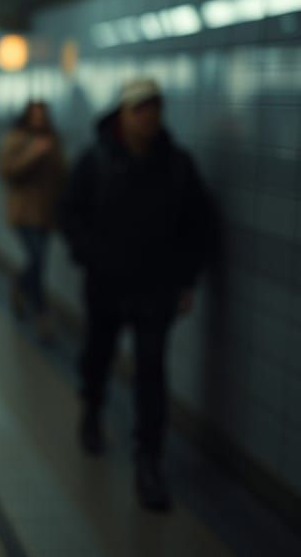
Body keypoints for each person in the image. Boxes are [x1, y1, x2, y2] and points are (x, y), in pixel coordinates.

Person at [58, 77, 211, 512]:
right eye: (140, 109)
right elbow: (69, 211)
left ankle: (149, 462)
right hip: (106, 283)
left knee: (151, 371)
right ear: (123, 114)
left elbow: (197, 227)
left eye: (155, 109)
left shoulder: (178, 165)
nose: (149, 117)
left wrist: (185, 281)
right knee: (99, 353)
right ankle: (92, 408)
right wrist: (89, 254)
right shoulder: (95, 160)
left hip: (156, 289)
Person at [0, 100, 65, 342]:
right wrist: (34, 154)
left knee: (38, 262)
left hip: (46, 213)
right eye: (35, 116)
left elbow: (61, 174)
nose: (39, 120)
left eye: (42, 116)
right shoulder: (16, 139)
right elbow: (6, 170)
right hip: (24, 212)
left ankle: (20, 284)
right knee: (37, 260)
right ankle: (42, 315)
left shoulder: (52, 139)